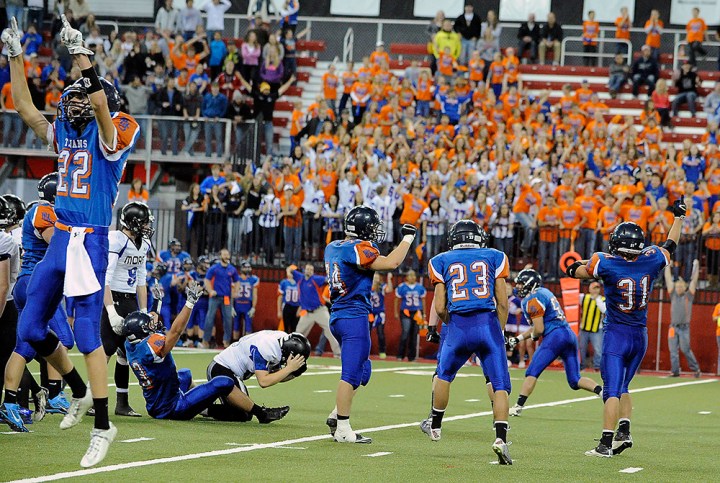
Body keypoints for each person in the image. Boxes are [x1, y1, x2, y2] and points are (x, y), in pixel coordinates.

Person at [2, 15, 140, 467]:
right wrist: (15, 55)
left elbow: (101, 108)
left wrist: (83, 57)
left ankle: (103, 425)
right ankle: (79, 391)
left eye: (79, 98)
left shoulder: (112, 131)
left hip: (90, 240)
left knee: (84, 334)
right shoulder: (65, 131)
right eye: (72, 100)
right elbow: (24, 107)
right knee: (29, 328)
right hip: (61, 238)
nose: (73, 105)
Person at [566, 197, 686, 458]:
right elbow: (671, 244)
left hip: (617, 335)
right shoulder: (652, 258)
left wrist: (572, 266)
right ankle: (624, 431)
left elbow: (577, 271)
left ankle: (605, 445)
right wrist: (678, 217)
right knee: (623, 388)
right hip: (639, 336)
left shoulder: (605, 262)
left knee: (610, 390)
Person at [421, 220, 512, 464]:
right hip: (488, 325)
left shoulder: (440, 260)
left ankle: (436, 426)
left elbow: (439, 306)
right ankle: (501, 439)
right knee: (499, 383)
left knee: (443, 375)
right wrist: (499, 329)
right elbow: (502, 302)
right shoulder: (495, 256)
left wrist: (452, 323)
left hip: (458, 325)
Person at [325, 205, 417, 443]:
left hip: (341, 314)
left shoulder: (333, 246)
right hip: (352, 316)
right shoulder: (356, 248)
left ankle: (336, 415)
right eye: (373, 227)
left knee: (363, 370)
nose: (376, 232)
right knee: (351, 373)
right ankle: (343, 429)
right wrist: (407, 239)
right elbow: (391, 263)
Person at [1, 177, 74, 433]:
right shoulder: (44, 211)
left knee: (25, 346)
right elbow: (56, 246)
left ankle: (9, 401)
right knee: (64, 337)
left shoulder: (42, 211)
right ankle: (54, 395)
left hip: (26, 283)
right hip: (37, 283)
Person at [124, 282, 243, 420]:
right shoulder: (149, 348)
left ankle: (201, 405)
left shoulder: (131, 344)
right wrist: (190, 303)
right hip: (172, 407)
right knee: (223, 382)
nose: (153, 326)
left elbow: (146, 325)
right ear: (143, 332)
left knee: (185, 374)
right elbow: (176, 332)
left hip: (156, 403)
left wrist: (157, 302)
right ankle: (213, 410)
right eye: (149, 326)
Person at [507, 269, 603, 417]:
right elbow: (538, 326)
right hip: (569, 335)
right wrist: (519, 338)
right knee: (574, 380)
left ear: (530, 284)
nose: (518, 287)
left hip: (555, 337)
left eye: (521, 284)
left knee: (532, 371)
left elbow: (539, 329)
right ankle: (602, 392)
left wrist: (533, 336)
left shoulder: (532, 299)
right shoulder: (544, 292)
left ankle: (518, 406)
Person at [101, 202, 154, 418]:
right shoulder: (117, 240)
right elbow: (105, 277)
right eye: (144, 222)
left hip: (130, 299)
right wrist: (111, 310)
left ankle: (122, 402)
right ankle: (92, 399)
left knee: (127, 352)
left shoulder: (143, 243)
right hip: (112, 297)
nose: (148, 226)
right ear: (133, 223)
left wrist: (144, 309)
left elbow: (141, 279)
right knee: (105, 351)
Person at [205, 330, 308, 422]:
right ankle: (200, 408)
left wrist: (294, 373)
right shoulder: (267, 347)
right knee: (243, 413)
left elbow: (275, 376)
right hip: (221, 369)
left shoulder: (281, 342)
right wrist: (289, 369)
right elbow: (264, 381)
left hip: (228, 371)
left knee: (243, 413)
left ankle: (202, 404)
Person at [238, 73, 295, 156]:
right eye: (265, 89)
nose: (267, 91)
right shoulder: (257, 95)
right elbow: (248, 87)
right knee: (256, 141)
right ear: (261, 89)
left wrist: (290, 81)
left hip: (268, 122)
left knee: (269, 142)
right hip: (258, 122)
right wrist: (241, 78)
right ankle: (255, 155)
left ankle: (269, 157)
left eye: (268, 89)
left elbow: (281, 90)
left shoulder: (271, 96)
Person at [664, 260, 701, 378]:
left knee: (686, 349)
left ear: (684, 287)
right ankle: (675, 372)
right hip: (673, 327)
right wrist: (667, 267)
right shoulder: (673, 294)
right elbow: (668, 279)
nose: (678, 288)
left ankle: (696, 369)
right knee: (673, 351)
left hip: (684, 328)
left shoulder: (688, 296)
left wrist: (696, 266)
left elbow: (694, 281)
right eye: (677, 286)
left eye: (681, 286)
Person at [294, 263, 340, 357]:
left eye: (311, 270)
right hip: (307, 312)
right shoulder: (300, 278)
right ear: (304, 270)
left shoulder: (315, 279)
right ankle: (295, 352)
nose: (309, 271)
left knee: (330, 330)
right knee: (298, 332)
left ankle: (338, 353)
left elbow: (327, 280)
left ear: (313, 272)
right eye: (308, 269)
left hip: (320, 311)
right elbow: (290, 270)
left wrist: (333, 278)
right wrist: (292, 268)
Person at [201, 248, 239, 348]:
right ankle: (205, 340)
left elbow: (237, 281)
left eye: (228, 254)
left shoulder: (232, 269)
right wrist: (210, 290)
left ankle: (226, 341)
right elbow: (207, 280)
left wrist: (235, 292)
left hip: (227, 297)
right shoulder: (215, 268)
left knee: (228, 320)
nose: (227, 256)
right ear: (220, 256)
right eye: (224, 254)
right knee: (209, 318)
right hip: (215, 297)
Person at [394, 270, 425, 362]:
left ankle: (411, 356)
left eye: (413, 275)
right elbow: (396, 300)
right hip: (406, 311)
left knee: (414, 334)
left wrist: (424, 314)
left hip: (417, 312)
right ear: (406, 277)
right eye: (410, 275)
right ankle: (400, 355)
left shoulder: (420, 287)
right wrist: (396, 312)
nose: (412, 277)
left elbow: (423, 300)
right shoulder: (402, 287)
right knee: (405, 332)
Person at [578, 281, 606, 370]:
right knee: (581, 349)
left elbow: (604, 309)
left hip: (597, 329)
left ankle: (597, 367)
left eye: (597, 288)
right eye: (594, 288)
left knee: (598, 350)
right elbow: (573, 297)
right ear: (589, 289)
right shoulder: (584, 297)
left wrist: (596, 299)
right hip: (584, 328)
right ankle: (580, 366)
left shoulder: (602, 300)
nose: (595, 290)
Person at [233, 260, 258, 339]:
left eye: (249, 267)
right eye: (245, 267)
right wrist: (231, 306)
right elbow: (232, 293)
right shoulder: (236, 278)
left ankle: (247, 345)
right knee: (236, 325)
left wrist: (253, 307)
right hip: (237, 304)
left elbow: (255, 294)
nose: (247, 269)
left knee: (248, 326)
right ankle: (234, 345)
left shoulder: (253, 279)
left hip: (248, 304)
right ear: (241, 269)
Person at [369, 273, 392, 359]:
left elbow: (389, 289)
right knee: (366, 333)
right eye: (374, 277)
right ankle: (365, 350)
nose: (375, 279)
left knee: (380, 333)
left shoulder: (382, 287)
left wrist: (389, 279)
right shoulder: (367, 286)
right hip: (369, 313)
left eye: (377, 278)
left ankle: (382, 351)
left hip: (379, 313)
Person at [278, 265, 301, 333]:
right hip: (287, 306)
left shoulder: (299, 282)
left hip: (297, 307)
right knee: (285, 328)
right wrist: (279, 310)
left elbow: (303, 297)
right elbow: (280, 297)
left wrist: (300, 308)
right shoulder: (284, 282)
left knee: (295, 329)